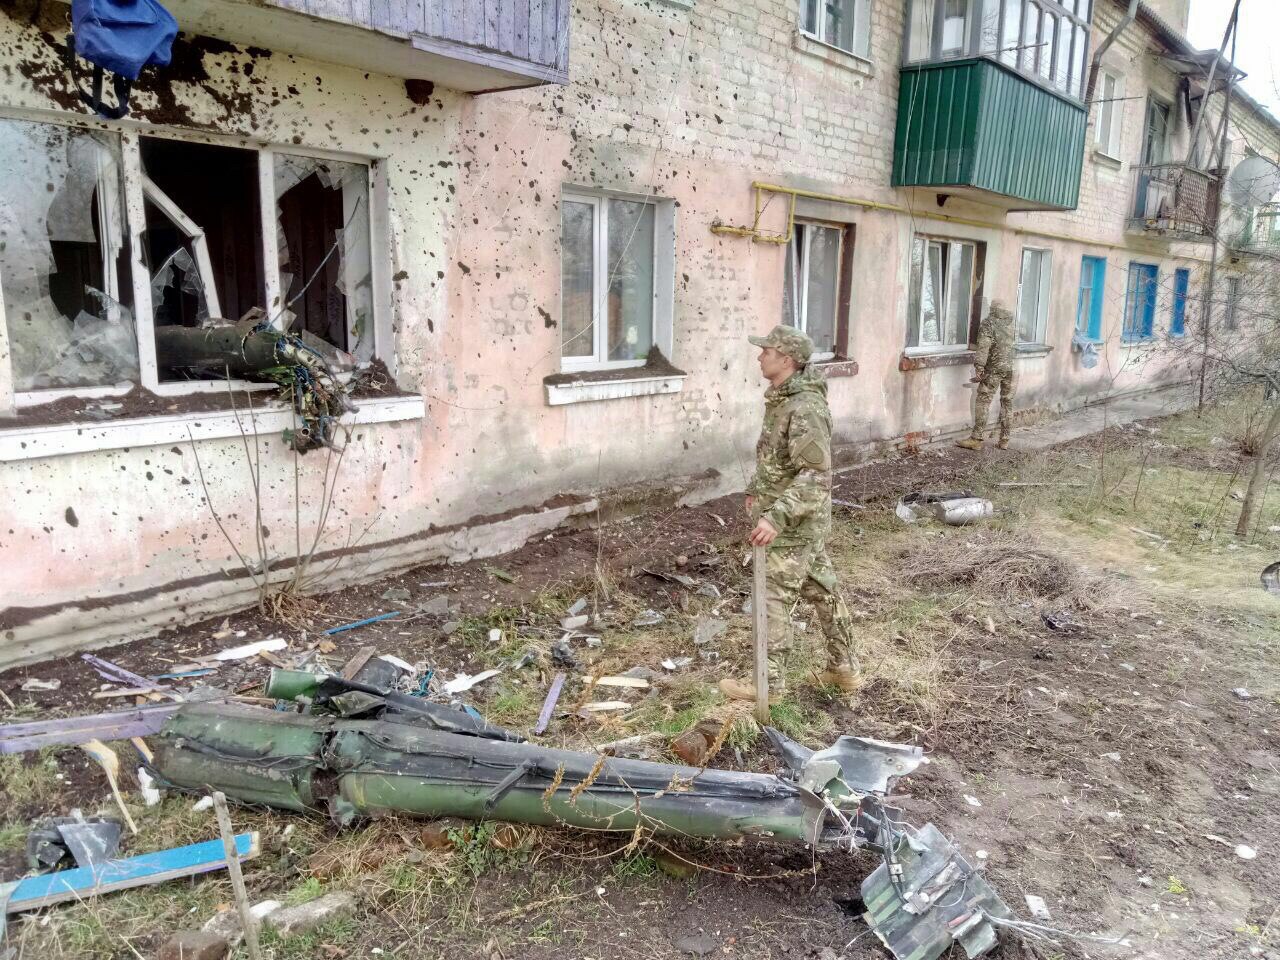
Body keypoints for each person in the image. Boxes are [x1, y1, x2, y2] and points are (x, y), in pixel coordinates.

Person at [720, 324, 860, 702]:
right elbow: (776, 458)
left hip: (794, 523)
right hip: (796, 518)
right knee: (822, 590)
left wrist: (775, 517)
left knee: (772, 595)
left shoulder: (805, 407)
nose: (759, 356)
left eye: (766, 351)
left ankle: (769, 684)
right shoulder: (783, 399)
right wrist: (756, 490)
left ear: (786, 360)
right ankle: (843, 668)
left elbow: (815, 475)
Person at [957, 300, 1016, 451]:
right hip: (1011, 369)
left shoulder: (988, 323)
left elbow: (983, 347)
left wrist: (979, 367)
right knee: (1007, 402)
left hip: (994, 369)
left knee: (983, 400)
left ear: (991, 309)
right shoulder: (1011, 323)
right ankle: (1005, 440)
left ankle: (976, 439)